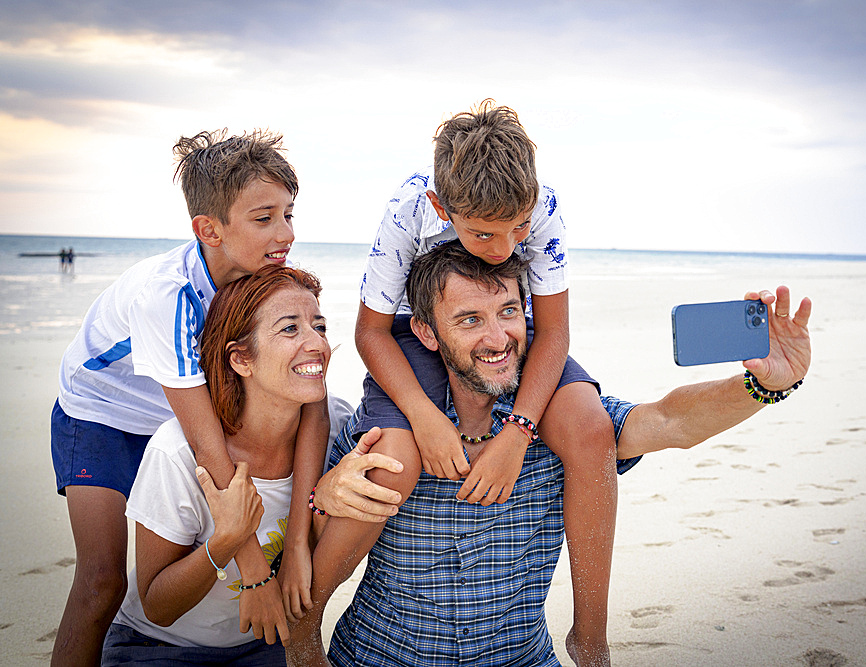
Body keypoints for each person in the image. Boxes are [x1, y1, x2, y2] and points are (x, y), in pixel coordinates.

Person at [289, 242, 812, 666]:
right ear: (426, 332)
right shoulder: (384, 432)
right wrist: (324, 496)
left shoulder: (558, 422)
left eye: (509, 312)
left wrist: (763, 387)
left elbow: (667, 421)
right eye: (469, 319)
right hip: (379, 657)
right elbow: (304, 540)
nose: (498, 337)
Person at [353, 100, 620, 663]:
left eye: (517, 230)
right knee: (393, 460)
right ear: (439, 206)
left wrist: (518, 432)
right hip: (424, 333)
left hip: (505, 331)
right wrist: (424, 416)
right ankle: (305, 627)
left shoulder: (542, 205)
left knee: (593, 430)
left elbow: (550, 334)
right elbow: (371, 333)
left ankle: (590, 636)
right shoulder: (408, 208)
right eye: (482, 234)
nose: (504, 248)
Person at [50, 130, 329, 666]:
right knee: (103, 582)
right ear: (209, 230)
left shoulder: (256, 279)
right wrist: (253, 574)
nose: (286, 232)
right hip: (99, 412)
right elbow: (206, 446)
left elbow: (311, 401)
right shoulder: (167, 298)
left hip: (168, 413)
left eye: (289, 214)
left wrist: (295, 543)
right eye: (264, 218)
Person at [102, 265, 402, 666]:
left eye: (320, 326)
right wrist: (225, 541)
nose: (317, 344)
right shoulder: (177, 453)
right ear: (241, 358)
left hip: (267, 642)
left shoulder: (336, 428)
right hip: (159, 646)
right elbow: (157, 606)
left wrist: (323, 502)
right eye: (290, 329)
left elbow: (332, 550)